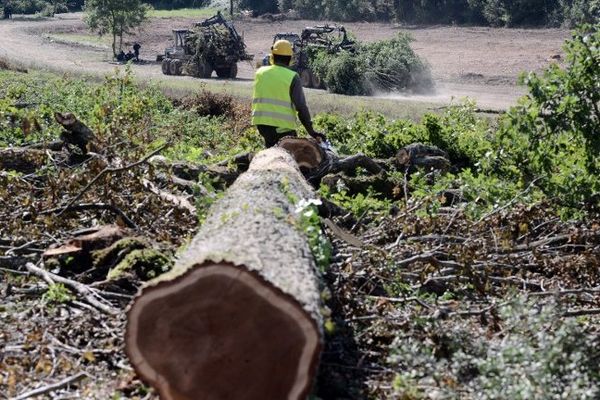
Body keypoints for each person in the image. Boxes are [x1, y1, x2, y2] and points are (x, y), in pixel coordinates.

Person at [251, 39, 326, 148]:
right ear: (290, 58)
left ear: (273, 55)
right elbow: (301, 107)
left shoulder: (260, 73)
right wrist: (311, 132)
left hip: (262, 126)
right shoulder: (292, 77)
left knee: (270, 152)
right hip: (282, 128)